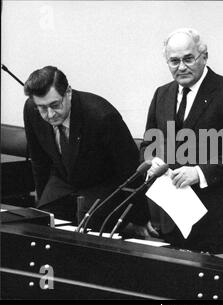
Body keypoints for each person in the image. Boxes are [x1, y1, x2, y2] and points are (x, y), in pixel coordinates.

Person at [140, 28, 223, 253]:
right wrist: (152, 160)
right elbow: (148, 144)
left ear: (204, 56)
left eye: (188, 59)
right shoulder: (161, 94)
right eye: (174, 61)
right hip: (172, 214)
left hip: (215, 216)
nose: (181, 67)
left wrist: (199, 172)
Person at [23, 66, 149, 231]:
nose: (50, 114)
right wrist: (41, 203)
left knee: (87, 227)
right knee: (42, 223)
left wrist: (140, 219)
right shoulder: (31, 109)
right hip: (63, 179)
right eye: (42, 108)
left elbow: (130, 170)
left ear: (68, 92)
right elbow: (39, 161)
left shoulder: (102, 116)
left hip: (102, 184)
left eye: (55, 105)